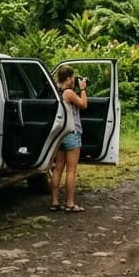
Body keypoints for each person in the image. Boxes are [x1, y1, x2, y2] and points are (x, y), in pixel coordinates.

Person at [50, 64, 89, 212]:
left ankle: (54, 202)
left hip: (59, 134)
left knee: (58, 169)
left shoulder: (56, 91)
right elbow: (84, 105)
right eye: (73, 77)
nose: (74, 80)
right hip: (71, 133)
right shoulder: (69, 93)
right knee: (71, 170)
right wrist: (83, 89)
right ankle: (70, 203)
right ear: (68, 78)